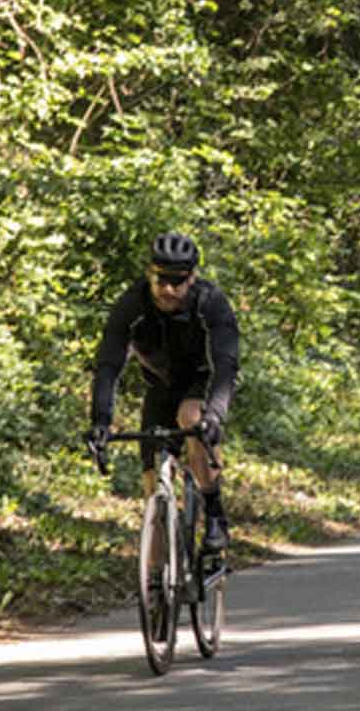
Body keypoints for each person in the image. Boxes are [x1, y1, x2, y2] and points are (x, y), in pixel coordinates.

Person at [90, 231, 241, 554]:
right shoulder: (133, 303)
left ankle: (214, 512)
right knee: (151, 484)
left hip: (201, 380)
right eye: (162, 281)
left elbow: (226, 365)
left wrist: (214, 414)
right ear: (151, 274)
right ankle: (158, 582)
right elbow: (108, 364)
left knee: (192, 419)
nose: (169, 290)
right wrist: (100, 421)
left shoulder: (210, 302)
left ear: (192, 278)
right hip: (159, 385)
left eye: (178, 281)